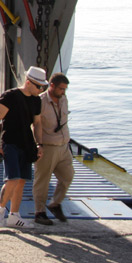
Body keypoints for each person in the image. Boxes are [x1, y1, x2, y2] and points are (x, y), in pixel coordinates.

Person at [0, 66, 47, 229]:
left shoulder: (37, 100)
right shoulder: (10, 96)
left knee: (21, 181)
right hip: (10, 142)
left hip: (26, 143)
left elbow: (37, 123)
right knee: (12, 179)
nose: (40, 89)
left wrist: (39, 144)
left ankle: (14, 215)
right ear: (28, 83)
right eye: (38, 86)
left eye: (43, 87)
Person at [33, 72, 74, 225]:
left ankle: (55, 203)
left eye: (65, 89)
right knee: (42, 180)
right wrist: (39, 145)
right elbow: (35, 125)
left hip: (64, 146)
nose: (63, 92)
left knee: (68, 176)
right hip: (48, 147)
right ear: (51, 86)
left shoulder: (64, 99)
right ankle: (40, 212)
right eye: (61, 89)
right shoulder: (40, 101)